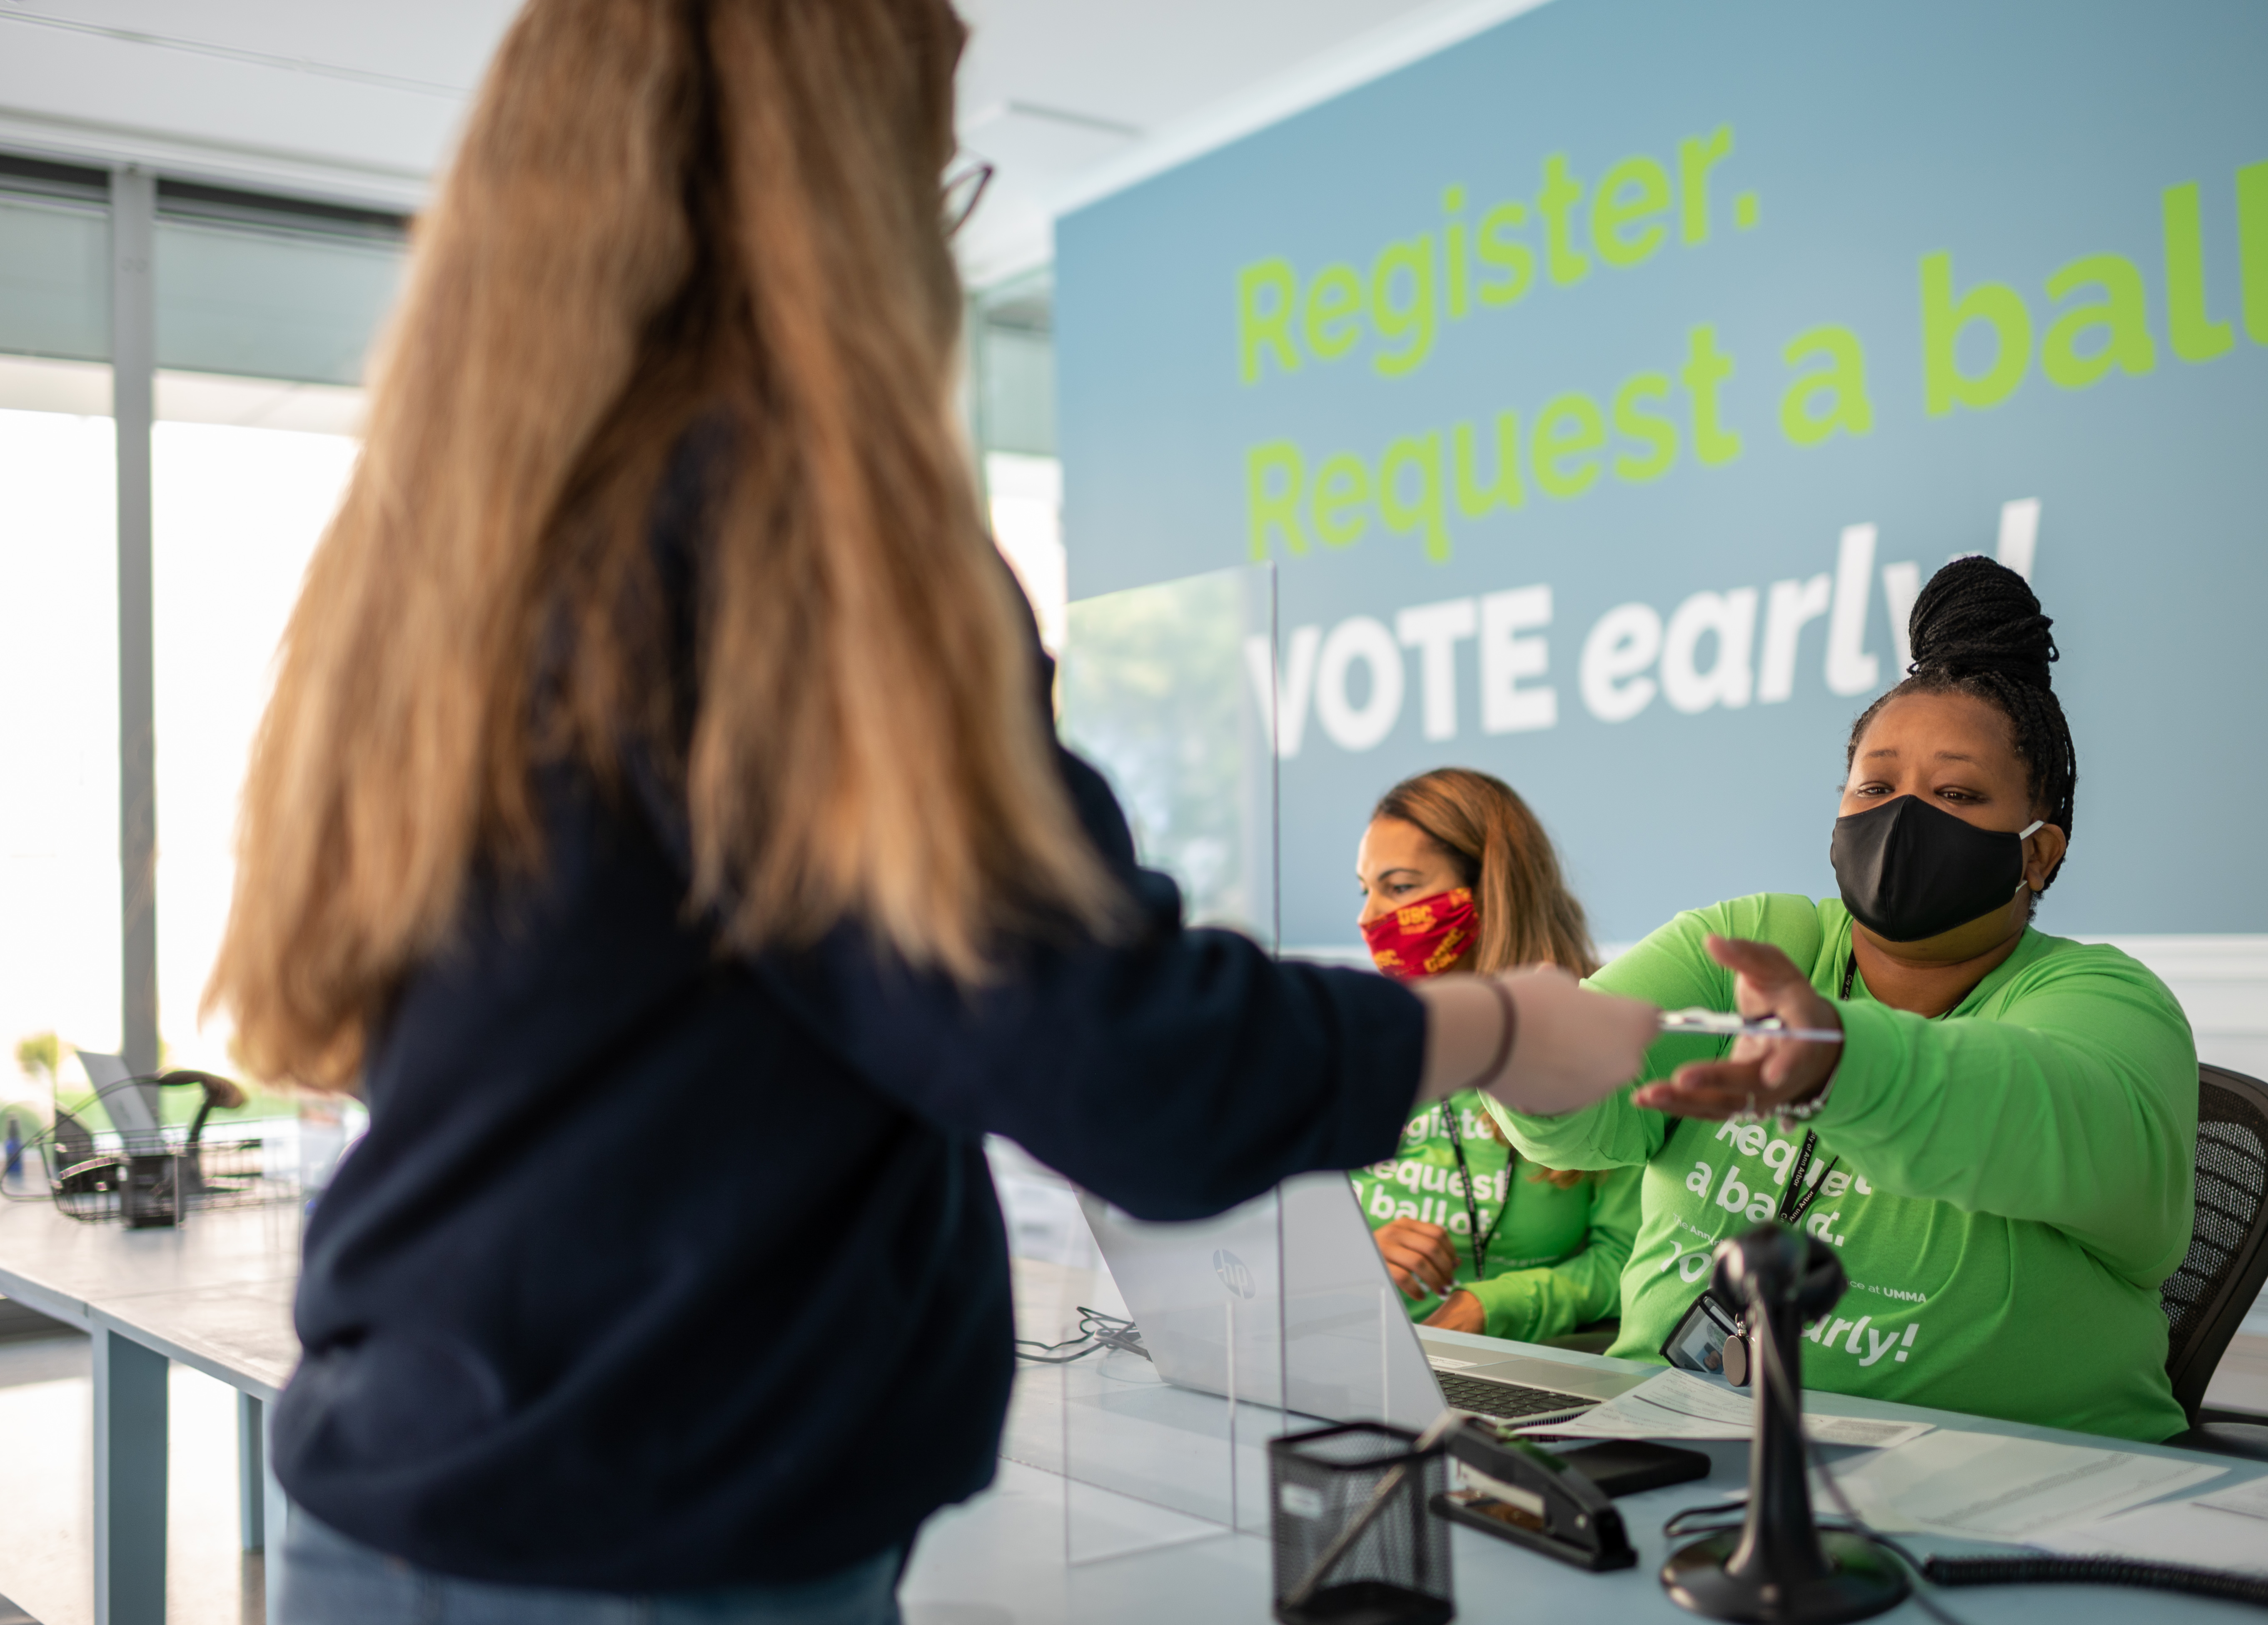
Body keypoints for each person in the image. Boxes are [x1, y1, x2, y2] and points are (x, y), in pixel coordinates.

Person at [202, 3, 1657, 1620]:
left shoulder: (461, 543)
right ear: (831, 186)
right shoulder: (788, 527)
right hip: (645, 1537)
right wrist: (1503, 1028)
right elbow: (1108, 1056)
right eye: (926, 168)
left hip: (405, 1498)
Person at [1489, 557, 2197, 1443]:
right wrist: (1521, 1056)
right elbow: (1578, 1117)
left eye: (1957, 794)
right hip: (1664, 1447)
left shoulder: (2103, 1000)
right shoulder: (1756, 943)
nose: (1903, 816)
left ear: (2039, 853)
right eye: (1875, 785)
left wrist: (1839, 1060)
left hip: (2006, 1500)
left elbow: (2045, 1110)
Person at [1351, 768, 1639, 1347]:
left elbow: (1629, 1261)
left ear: (1491, 891)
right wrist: (1356, 1257)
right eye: (1366, 889)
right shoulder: (1359, 1036)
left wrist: (1495, 1305)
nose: (1368, 917)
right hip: (1359, 1358)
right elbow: (1278, 1231)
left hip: (1523, 1378)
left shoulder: (1599, 1039)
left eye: (1400, 887)